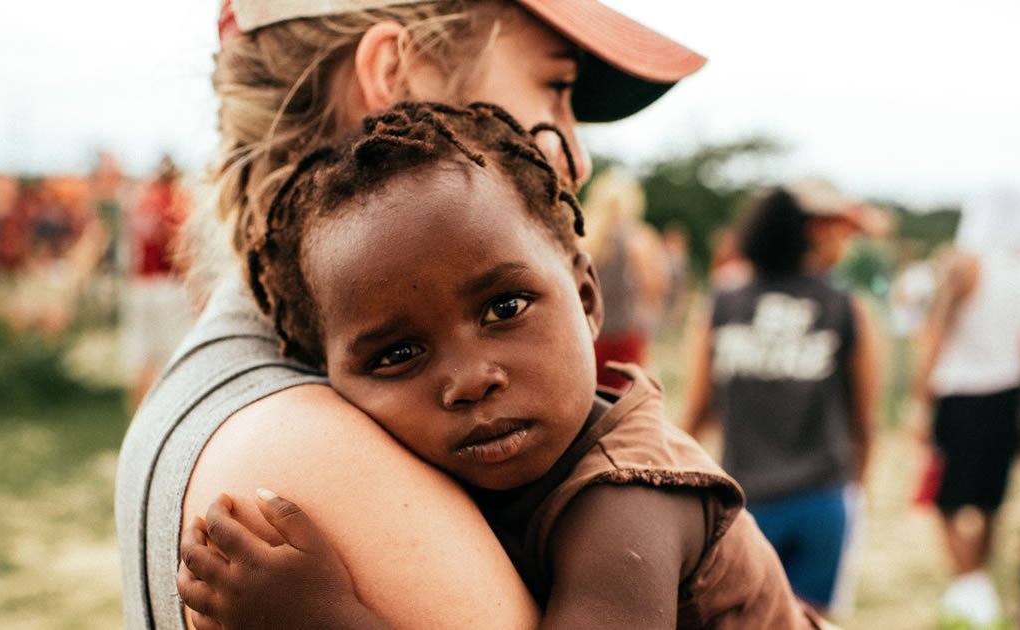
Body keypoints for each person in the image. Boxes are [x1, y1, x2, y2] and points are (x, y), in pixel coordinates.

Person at [114, 2, 707, 628]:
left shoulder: (216, 376)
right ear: (396, 77)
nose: (577, 160)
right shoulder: (297, 452)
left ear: (588, 299)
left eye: (504, 308)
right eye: (554, 87)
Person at [175, 101, 820, 630]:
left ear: (587, 299)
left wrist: (323, 619)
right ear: (325, 378)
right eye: (398, 355)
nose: (471, 379)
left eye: (505, 307)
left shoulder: (629, 498)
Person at [680, 177, 880, 615]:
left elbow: (695, 410)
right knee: (807, 619)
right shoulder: (844, 306)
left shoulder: (722, 304)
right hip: (821, 498)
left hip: (742, 502)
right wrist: (856, 487)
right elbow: (864, 418)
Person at [912, 188, 1020, 629]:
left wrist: (920, 400)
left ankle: (971, 586)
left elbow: (936, 331)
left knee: (944, 496)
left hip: (960, 392)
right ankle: (978, 588)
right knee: (992, 497)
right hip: (1009, 390)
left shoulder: (967, 263)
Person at [580, 168, 671, 390]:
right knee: (622, 405)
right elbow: (655, 289)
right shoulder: (639, 238)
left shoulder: (583, 235)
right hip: (624, 335)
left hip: (586, 335)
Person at [121, 156, 195, 411]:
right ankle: (163, 415)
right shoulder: (175, 203)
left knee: (143, 358)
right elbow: (179, 251)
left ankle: (136, 422)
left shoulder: (141, 202)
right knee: (171, 357)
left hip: (140, 285)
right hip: (167, 287)